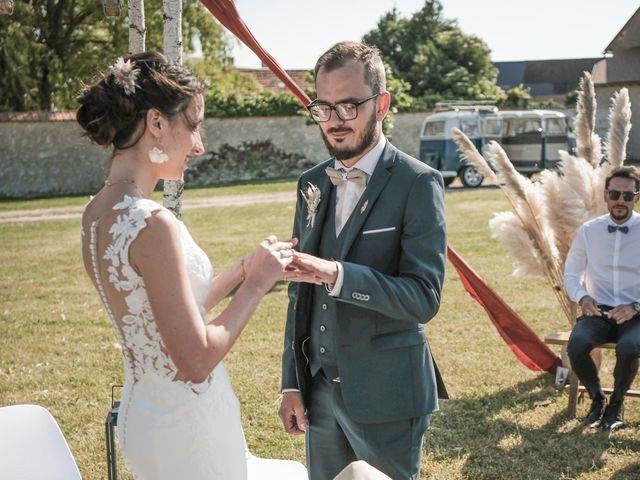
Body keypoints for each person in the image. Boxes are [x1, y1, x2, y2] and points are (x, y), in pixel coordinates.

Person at [77, 52, 307, 479]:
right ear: (157, 124)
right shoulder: (152, 223)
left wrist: (242, 269)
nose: (199, 145)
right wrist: (256, 286)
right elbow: (195, 359)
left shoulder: (97, 212)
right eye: (194, 125)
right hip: (188, 426)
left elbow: (162, 310)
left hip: (145, 413)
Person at [279, 42, 448, 480]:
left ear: (382, 104)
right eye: (324, 107)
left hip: (387, 394)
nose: (334, 122)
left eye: (349, 106)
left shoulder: (418, 182)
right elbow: (299, 291)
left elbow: (423, 297)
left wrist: (336, 274)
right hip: (318, 390)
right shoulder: (311, 183)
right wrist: (293, 382)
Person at [564, 166, 640, 431]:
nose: (621, 200)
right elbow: (571, 274)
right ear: (606, 195)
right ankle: (598, 400)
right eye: (615, 193)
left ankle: (616, 407)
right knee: (576, 345)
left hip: (637, 314)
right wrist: (583, 298)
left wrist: (635, 306)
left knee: (628, 348)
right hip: (598, 310)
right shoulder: (588, 231)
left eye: (627, 195)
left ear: (636, 198)